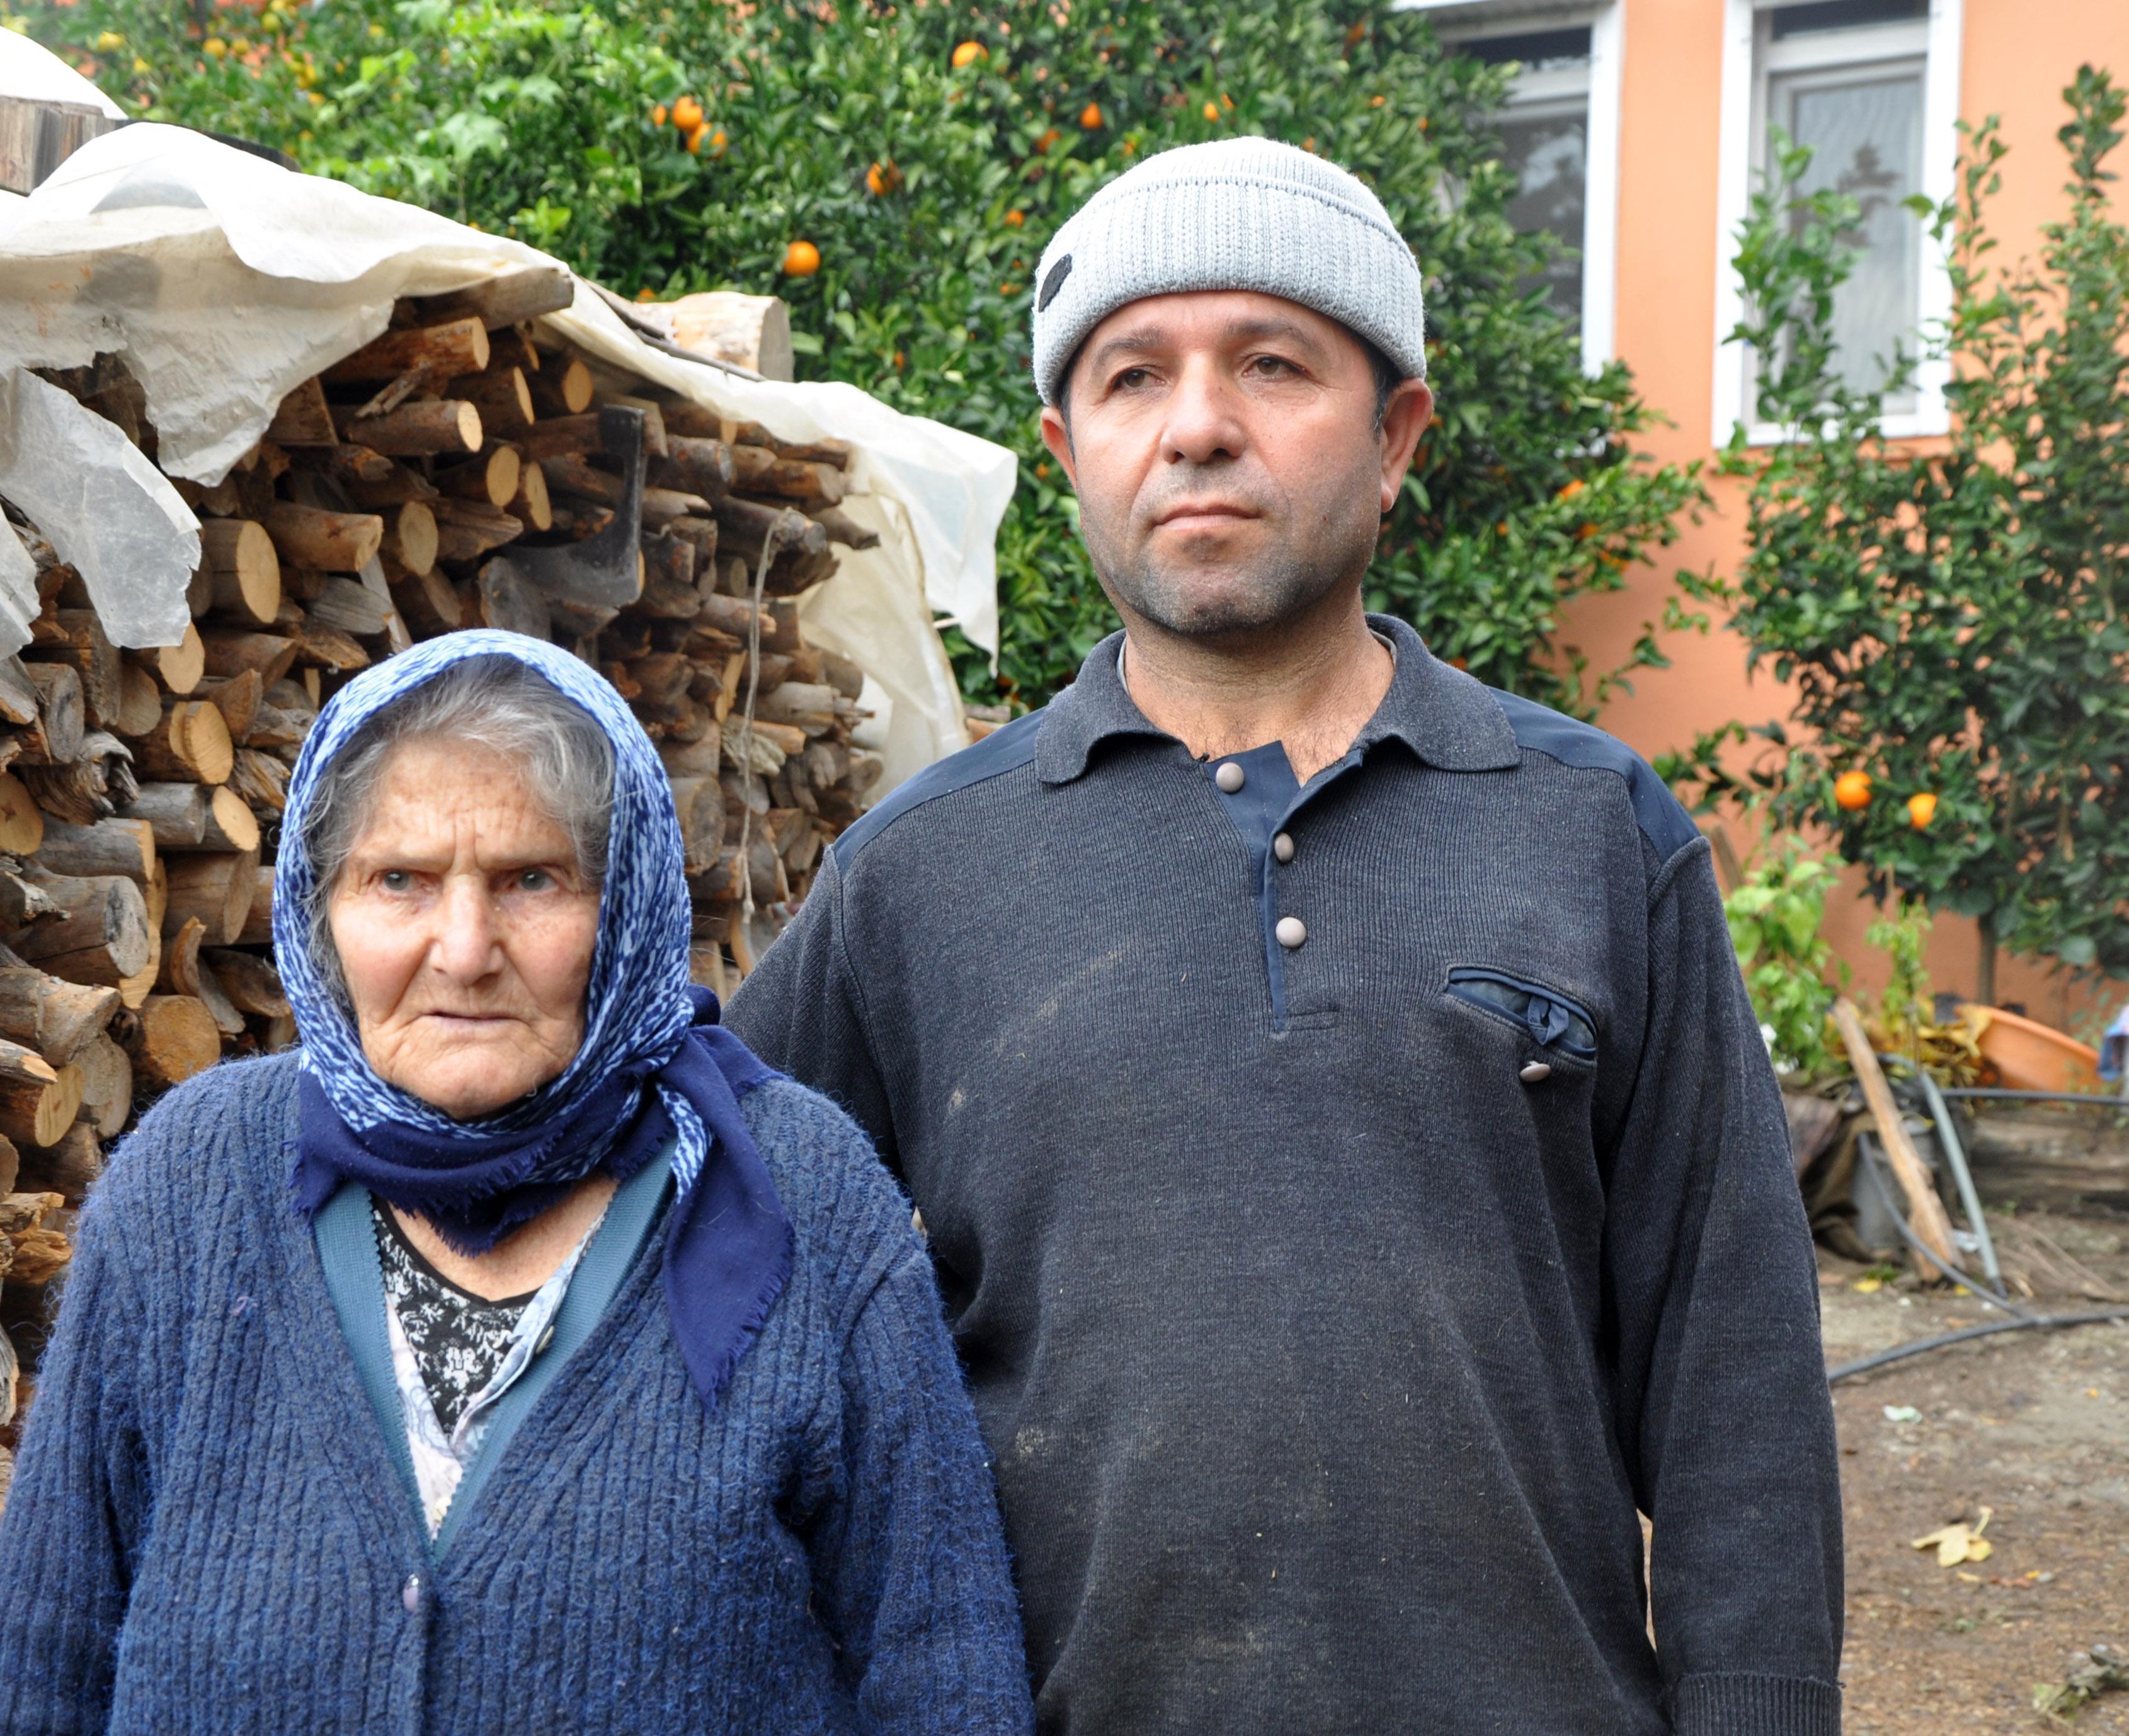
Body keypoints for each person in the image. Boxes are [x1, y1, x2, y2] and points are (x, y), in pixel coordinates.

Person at [729, 138, 1843, 1735]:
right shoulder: (923, 874)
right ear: (1068, 451)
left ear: (1394, 438)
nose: (1196, 427)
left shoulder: (1593, 833)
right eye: (1131, 379)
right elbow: (708, 1271)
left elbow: (1731, 1369)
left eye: (1271, 363)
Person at [0, 632, 1036, 1736]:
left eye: (531, 879)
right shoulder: (191, 1185)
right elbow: (44, 1663)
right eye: (399, 881)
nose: (464, 949)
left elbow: (941, 1664)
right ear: (321, 915)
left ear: (624, 910)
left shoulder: (801, 1192)